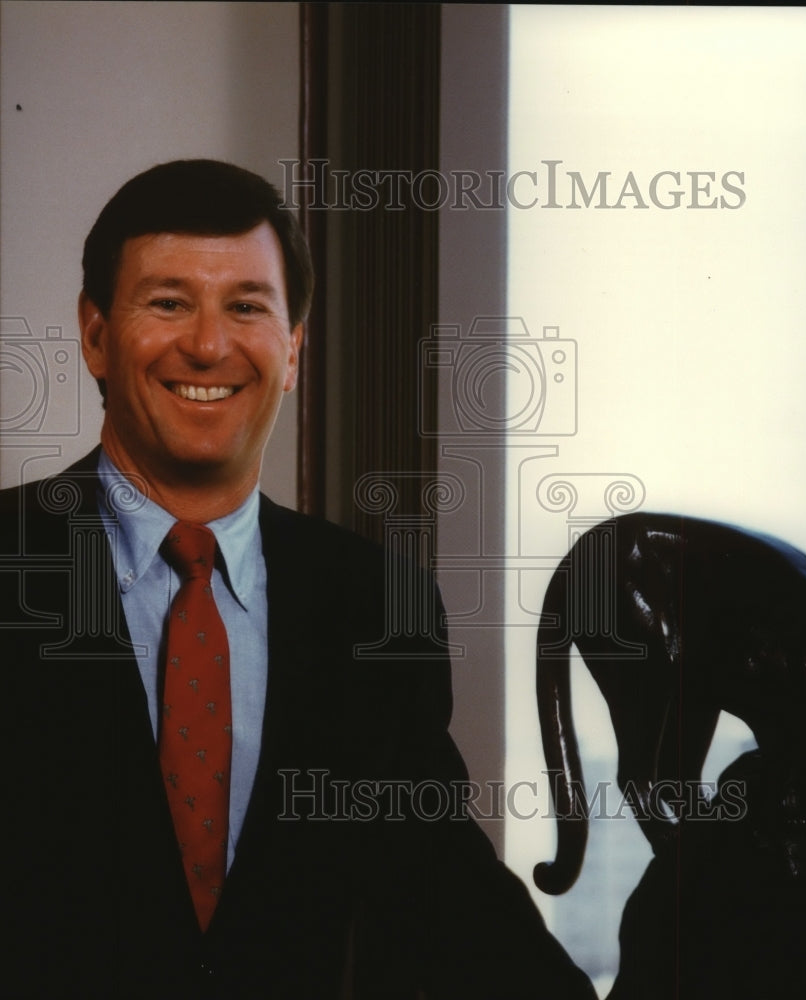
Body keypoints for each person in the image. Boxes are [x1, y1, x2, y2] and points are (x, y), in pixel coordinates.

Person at [2, 159, 596, 999]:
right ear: (96, 334)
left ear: (290, 350)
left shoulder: (373, 604)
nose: (208, 344)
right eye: (167, 302)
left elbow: (448, 902)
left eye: (245, 306)